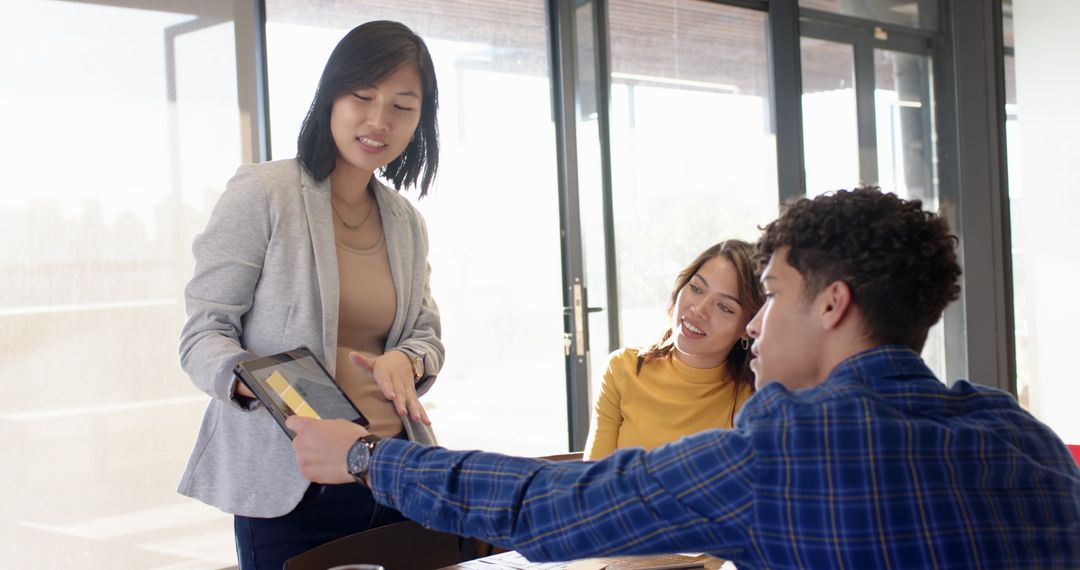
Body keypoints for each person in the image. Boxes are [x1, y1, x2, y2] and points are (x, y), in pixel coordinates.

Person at [288, 188, 1080, 568]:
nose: (758, 324)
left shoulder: (786, 451)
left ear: (834, 305)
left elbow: (552, 504)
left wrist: (365, 457)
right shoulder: (1022, 440)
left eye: (768, 296)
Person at [178, 21, 444, 569]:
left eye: (402, 106)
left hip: (392, 471)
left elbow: (426, 334)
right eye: (362, 97)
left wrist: (406, 358)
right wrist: (269, 390)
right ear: (330, 97)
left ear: (420, 121)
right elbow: (203, 334)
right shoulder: (264, 192)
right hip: (291, 482)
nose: (378, 121)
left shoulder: (406, 221)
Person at [585, 240, 762, 460]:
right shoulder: (622, 370)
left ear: (749, 327)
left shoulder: (756, 399)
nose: (699, 310)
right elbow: (592, 484)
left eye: (724, 307)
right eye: (696, 288)